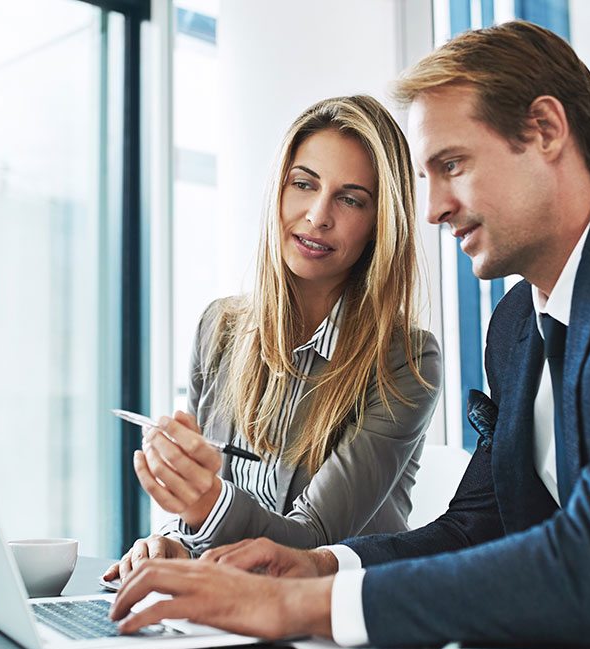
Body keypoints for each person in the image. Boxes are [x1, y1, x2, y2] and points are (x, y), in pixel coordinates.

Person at [107, 21, 590, 648]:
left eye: (452, 166)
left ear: (544, 130)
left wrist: (293, 611)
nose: (433, 208)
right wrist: (316, 567)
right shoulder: (515, 327)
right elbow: (481, 523)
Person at [104, 95, 441, 582]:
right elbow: (205, 522)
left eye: (350, 199)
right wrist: (175, 542)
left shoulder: (406, 360)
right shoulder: (218, 329)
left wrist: (205, 505)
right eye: (303, 184)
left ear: (378, 225)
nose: (317, 216)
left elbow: (310, 545)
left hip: (325, 622)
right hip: (227, 608)